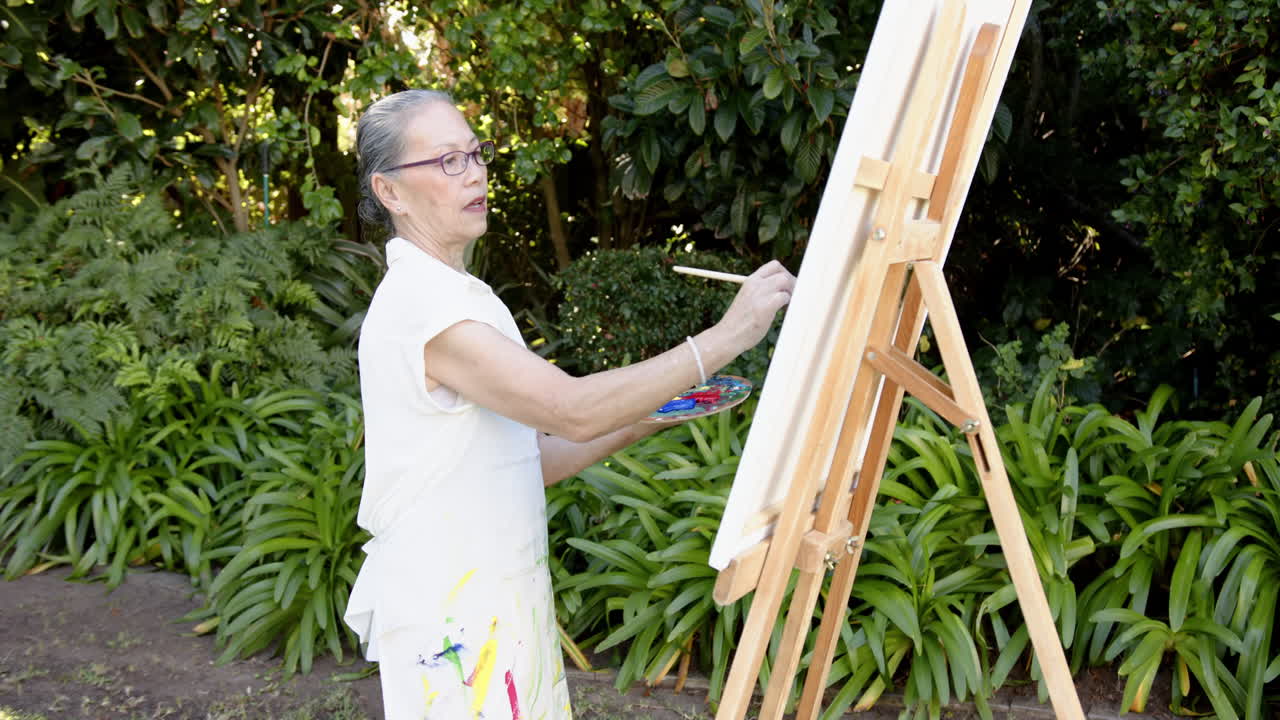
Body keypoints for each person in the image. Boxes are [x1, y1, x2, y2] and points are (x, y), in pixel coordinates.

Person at [343, 89, 796, 720]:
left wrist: (657, 411)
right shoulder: (423, 304)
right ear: (389, 190)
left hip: (496, 596)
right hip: (452, 615)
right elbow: (571, 409)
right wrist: (725, 338)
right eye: (447, 161)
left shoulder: (461, 293)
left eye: (476, 154)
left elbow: (533, 457)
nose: (473, 172)